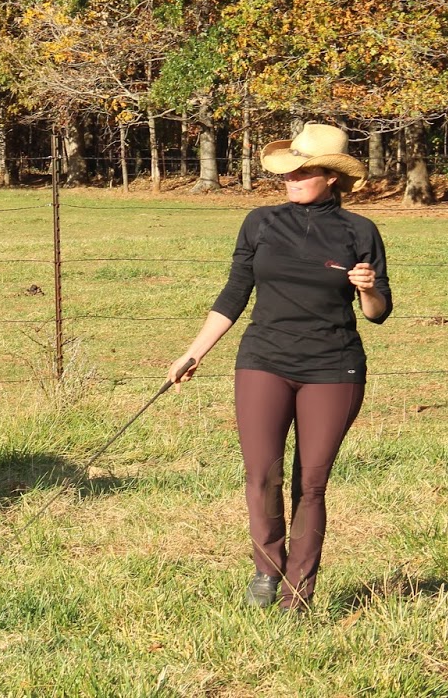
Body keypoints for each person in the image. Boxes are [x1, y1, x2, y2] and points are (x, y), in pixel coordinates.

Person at [166, 123, 392, 612]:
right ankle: (267, 572)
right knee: (261, 475)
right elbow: (233, 294)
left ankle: (298, 594)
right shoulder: (260, 222)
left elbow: (378, 313)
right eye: (288, 171)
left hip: (333, 367)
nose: (291, 178)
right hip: (263, 359)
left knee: (310, 483)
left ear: (332, 176)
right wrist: (194, 352)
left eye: (303, 170)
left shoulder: (360, 231)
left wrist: (367, 288)